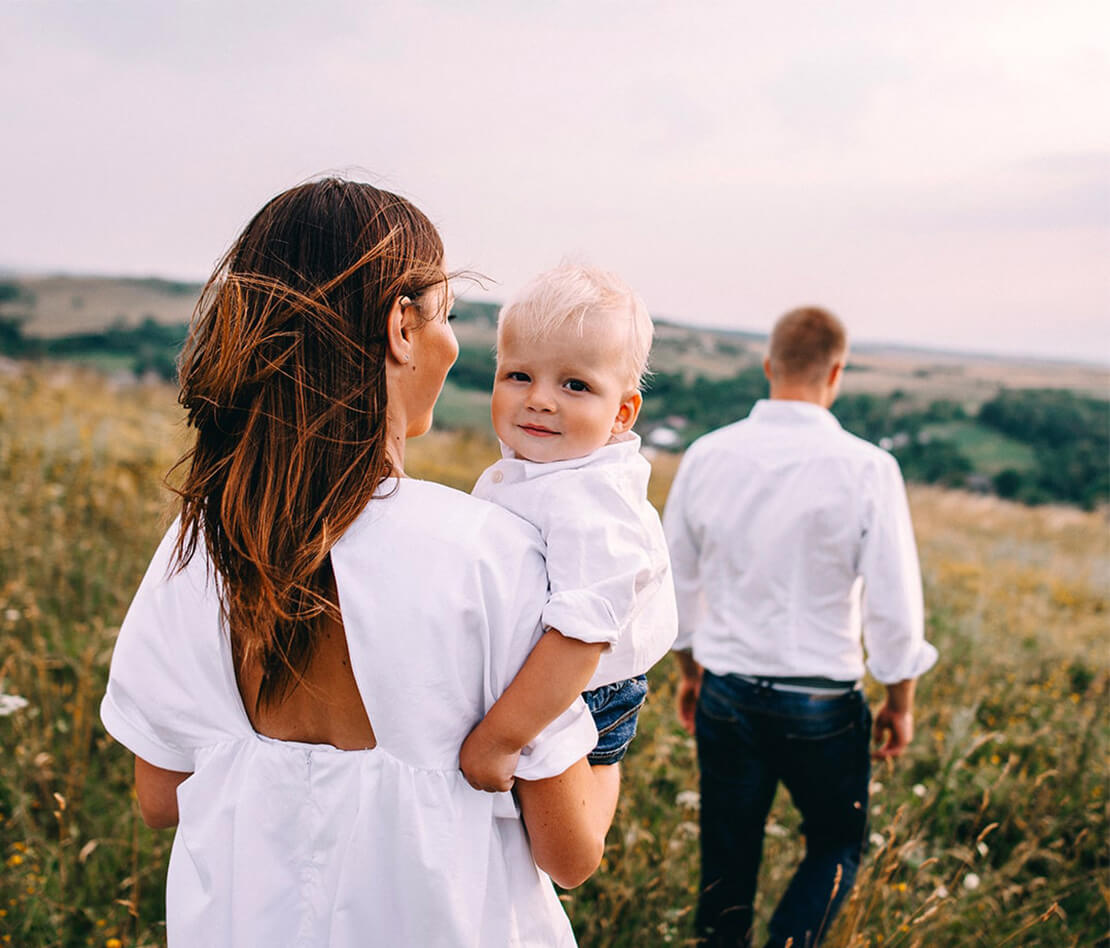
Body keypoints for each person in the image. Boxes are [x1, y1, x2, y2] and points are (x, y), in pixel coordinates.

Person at [99, 179, 619, 947]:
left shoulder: (199, 547)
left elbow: (160, 795)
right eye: (445, 316)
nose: (454, 345)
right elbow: (569, 855)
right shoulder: (492, 556)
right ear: (401, 328)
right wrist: (606, 744)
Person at [663, 306, 938, 948]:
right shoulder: (869, 467)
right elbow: (895, 610)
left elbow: (676, 581)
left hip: (726, 691)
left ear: (768, 367)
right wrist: (901, 703)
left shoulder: (708, 454)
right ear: (836, 373)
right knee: (837, 844)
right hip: (823, 700)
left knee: (725, 861)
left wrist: (688, 670)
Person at [459, 264, 677, 794]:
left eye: (575, 384)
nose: (540, 399)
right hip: (542, 681)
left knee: (563, 849)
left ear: (622, 413)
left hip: (585, 691)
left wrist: (501, 738)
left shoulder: (592, 498)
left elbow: (582, 634)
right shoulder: (548, 466)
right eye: (519, 376)